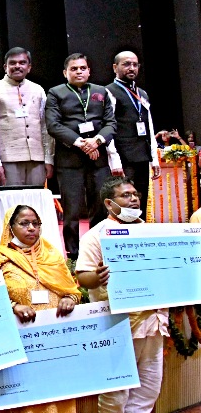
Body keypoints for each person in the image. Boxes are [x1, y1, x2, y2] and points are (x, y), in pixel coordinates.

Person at [75, 176, 167, 413]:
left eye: (135, 194)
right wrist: (97, 277)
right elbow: (83, 277)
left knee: (148, 390)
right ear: (109, 203)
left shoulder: (152, 232)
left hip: (153, 322)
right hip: (118, 323)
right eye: (126, 195)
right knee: (116, 394)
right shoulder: (96, 235)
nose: (134, 199)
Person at [0, 204, 81, 413]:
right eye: (24, 223)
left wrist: (70, 298)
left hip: (55, 342)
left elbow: (71, 289)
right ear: (10, 227)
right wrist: (13, 306)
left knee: (57, 395)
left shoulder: (51, 255)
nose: (32, 228)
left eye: (36, 223)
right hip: (18, 343)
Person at [45, 53, 116, 260]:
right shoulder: (56, 93)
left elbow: (111, 123)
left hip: (98, 159)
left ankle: (97, 251)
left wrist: (97, 141)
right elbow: (53, 125)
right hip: (70, 159)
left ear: (89, 71)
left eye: (82, 68)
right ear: (65, 72)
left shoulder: (101, 91)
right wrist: (82, 143)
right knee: (72, 211)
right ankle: (73, 255)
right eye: (74, 69)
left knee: (100, 206)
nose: (79, 72)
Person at [0, 47, 54, 186]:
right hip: (7, 159)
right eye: (12, 63)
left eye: (22, 63)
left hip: (37, 158)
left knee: (35, 198)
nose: (17, 66)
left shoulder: (38, 90)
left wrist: (49, 158)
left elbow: (45, 127)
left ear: (29, 67)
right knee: (12, 199)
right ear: (5, 67)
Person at [105, 51, 160, 208]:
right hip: (123, 156)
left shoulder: (142, 93)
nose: (131, 68)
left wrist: (154, 158)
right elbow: (107, 126)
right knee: (124, 199)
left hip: (142, 154)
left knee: (140, 197)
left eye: (135, 65)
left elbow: (149, 126)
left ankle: (140, 224)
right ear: (115, 67)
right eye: (126, 64)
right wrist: (114, 159)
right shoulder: (108, 91)